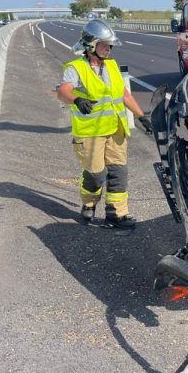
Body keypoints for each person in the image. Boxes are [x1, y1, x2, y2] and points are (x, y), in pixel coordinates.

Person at [56, 19, 152, 228]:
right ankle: (89, 203)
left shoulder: (112, 65)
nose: (109, 49)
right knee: (96, 175)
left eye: (110, 45)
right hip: (90, 133)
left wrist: (141, 116)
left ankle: (116, 214)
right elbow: (63, 90)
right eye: (104, 45)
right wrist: (77, 99)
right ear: (91, 45)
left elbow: (123, 94)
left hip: (116, 129)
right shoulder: (76, 68)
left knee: (118, 173)